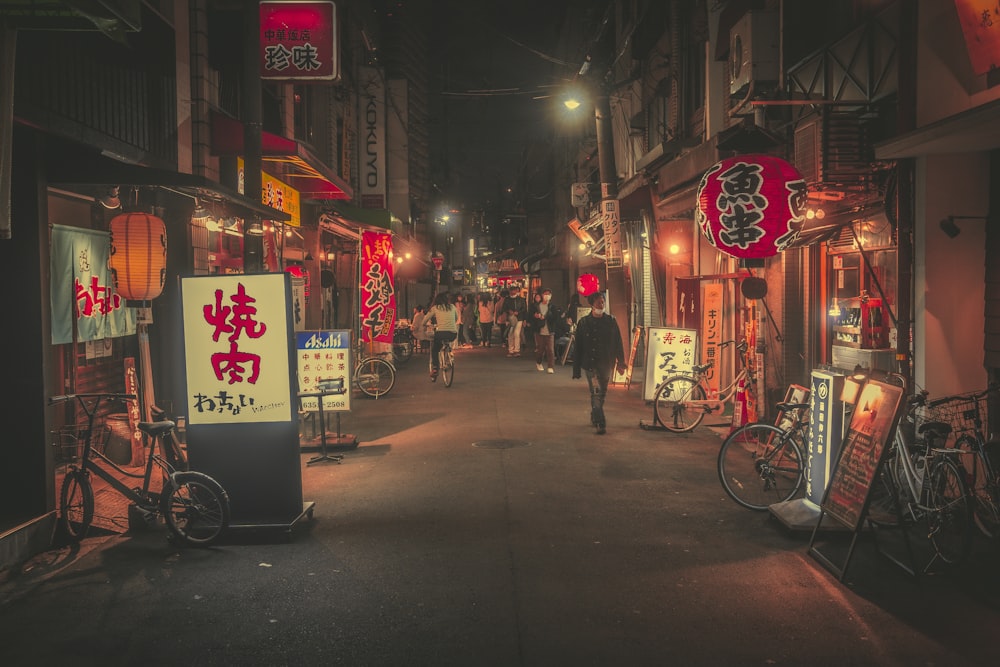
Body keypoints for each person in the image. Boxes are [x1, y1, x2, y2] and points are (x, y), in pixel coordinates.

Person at [572, 291, 625, 435]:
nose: (601, 304)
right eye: (598, 302)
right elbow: (578, 347)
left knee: (602, 393)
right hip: (590, 364)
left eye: (603, 302)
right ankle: (600, 422)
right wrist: (576, 369)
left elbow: (618, 342)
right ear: (591, 304)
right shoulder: (584, 323)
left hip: (606, 362)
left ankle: (595, 414)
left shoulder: (611, 321)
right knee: (596, 392)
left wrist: (621, 362)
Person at [528, 288, 562, 373]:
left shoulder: (552, 306)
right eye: (545, 294)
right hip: (539, 330)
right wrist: (535, 316)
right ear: (542, 295)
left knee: (550, 349)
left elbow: (556, 318)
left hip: (549, 331)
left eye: (549, 294)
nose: (547, 296)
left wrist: (546, 317)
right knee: (540, 349)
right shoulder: (537, 306)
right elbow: (530, 316)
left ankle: (550, 366)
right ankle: (538, 362)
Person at [427, 292, 458, 381]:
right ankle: (448, 357)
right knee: (446, 343)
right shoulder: (452, 307)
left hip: (440, 333)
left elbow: (425, 319)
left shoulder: (435, 308)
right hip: (453, 334)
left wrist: (424, 324)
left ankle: (435, 368)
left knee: (435, 349)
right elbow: (456, 318)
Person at [505, 286, 527, 357]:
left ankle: (516, 350)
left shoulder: (521, 299)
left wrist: (518, 312)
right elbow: (504, 308)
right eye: (511, 291)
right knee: (510, 334)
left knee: (516, 334)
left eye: (514, 291)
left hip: (519, 318)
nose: (512, 292)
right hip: (510, 319)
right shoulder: (507, 299)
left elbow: (524, 309)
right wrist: (509, 311)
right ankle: (511, 350)